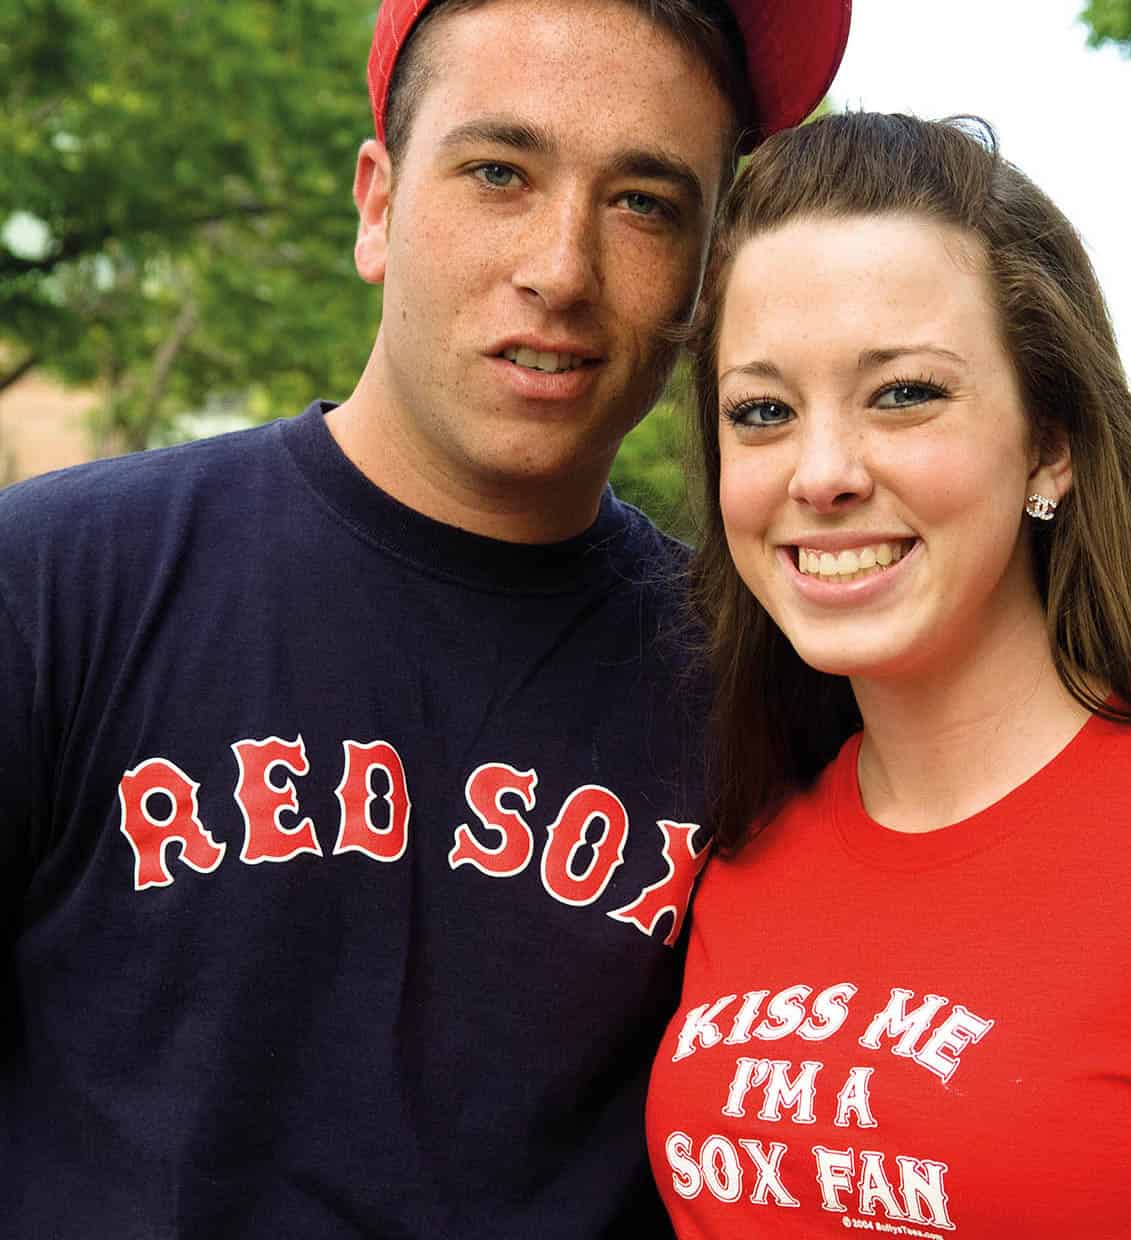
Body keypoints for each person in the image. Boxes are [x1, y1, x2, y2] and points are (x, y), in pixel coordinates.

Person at [0, 2, 851, 1236]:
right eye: (499, 171)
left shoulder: (767, 688)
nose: (562, 267)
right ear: (377, 204)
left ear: (708, 276)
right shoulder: (56, 586)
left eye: (645, 203)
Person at [646, 112, 1131, 1236]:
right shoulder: (746, 850)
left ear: (1050, 441)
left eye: (904, 393)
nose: (821, 473)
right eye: (763, 412)